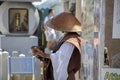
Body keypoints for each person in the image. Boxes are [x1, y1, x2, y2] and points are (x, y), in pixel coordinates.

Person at [31, 12, 82, 80]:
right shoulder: (67, 37)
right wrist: (43, 56)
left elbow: (60, 57)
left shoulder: (71, 40)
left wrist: (43, 55)